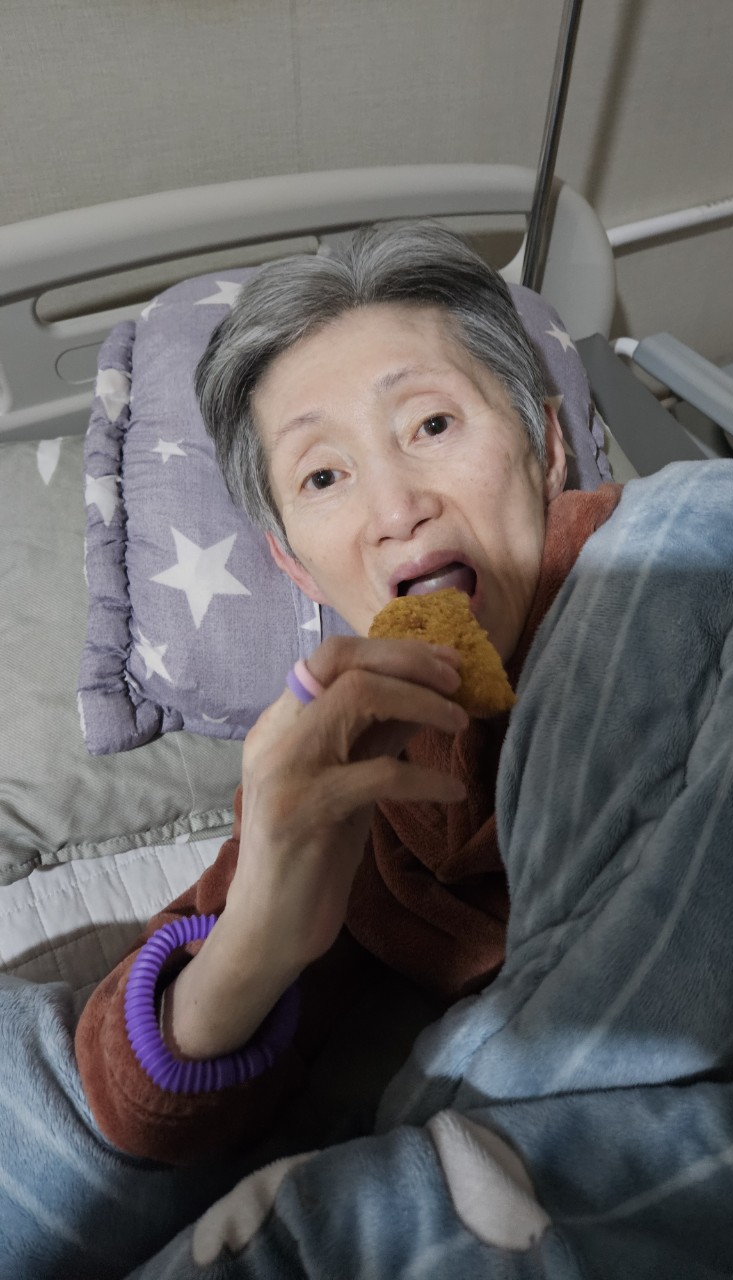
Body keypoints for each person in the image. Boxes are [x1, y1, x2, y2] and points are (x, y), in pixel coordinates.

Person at [0, 221, 622, 1277]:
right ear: (295, 564)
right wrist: (257, 942)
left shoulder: (705, 576)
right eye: (325, 476)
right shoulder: (334, 770)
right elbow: (137, 1094)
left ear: (548, 447)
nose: (397, 508)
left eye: (432, 422)